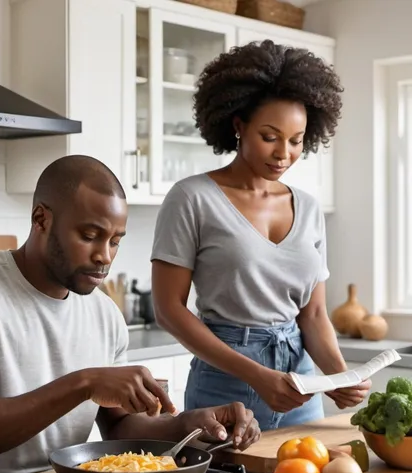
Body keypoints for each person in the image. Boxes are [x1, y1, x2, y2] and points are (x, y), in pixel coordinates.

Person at [0, 155, 260, 473]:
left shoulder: (104, 312)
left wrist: (187, 426)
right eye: (90, 235)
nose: (106, 256)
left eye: (115, 240)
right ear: (41, 219)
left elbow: (118, 426)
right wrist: (84, 384)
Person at [150, 40, 371, 432]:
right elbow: (169, 309)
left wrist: (339, 377)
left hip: (299, 386)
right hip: (224, 385)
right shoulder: (192, 198)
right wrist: (256, 376)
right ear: (238, 126)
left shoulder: (307, 207)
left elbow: (314, 313)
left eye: (296, 140)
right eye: (270, 136)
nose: (283, 153)